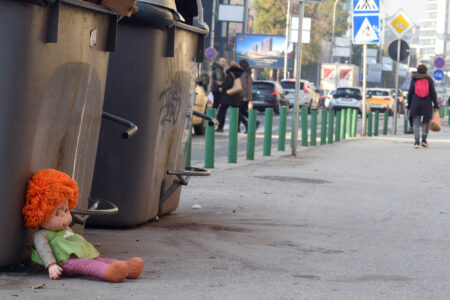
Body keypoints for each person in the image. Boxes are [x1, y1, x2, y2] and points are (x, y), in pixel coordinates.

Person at [23, 169, 144, 282]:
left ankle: (127, 267)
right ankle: (107, 272)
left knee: (97, 260)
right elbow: (43, 249)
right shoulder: (42, 234)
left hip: (82, 254)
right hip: (66, 262)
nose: (65, 217)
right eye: (57, 214)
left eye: (66, 211)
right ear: (40, 214)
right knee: (87, 265)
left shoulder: (63, 228)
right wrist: (51, 265)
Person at [407, 64, 439, 148]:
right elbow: (433, 93)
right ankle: (424, 140)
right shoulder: (429, 80)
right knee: (425, 123)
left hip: (415, 104)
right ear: (426, 70)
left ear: (417, 70)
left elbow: (410, 93)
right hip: (426, 104)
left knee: (416, 123)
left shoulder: (414, 79)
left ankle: (416, 142)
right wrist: (435, 104)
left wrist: (409, 105)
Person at [216, 61, 244, 132]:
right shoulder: (239, 74)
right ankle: (236, 128)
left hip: (228, 95)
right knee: (236, 113)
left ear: (229, 66)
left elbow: (229, 84)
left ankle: (220, 127)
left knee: (221, 111)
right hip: (236, 95)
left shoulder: (230, 73)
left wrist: (222, 88)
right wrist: (223, 83)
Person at [238, 60, 252, 133]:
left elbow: (244, 86)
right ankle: (237, 128)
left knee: (238, 112)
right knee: (241, 112)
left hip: (244, 97)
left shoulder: (244, 74)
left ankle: (248, 124)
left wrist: (243, 96)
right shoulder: (248, 73)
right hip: (247, 96)